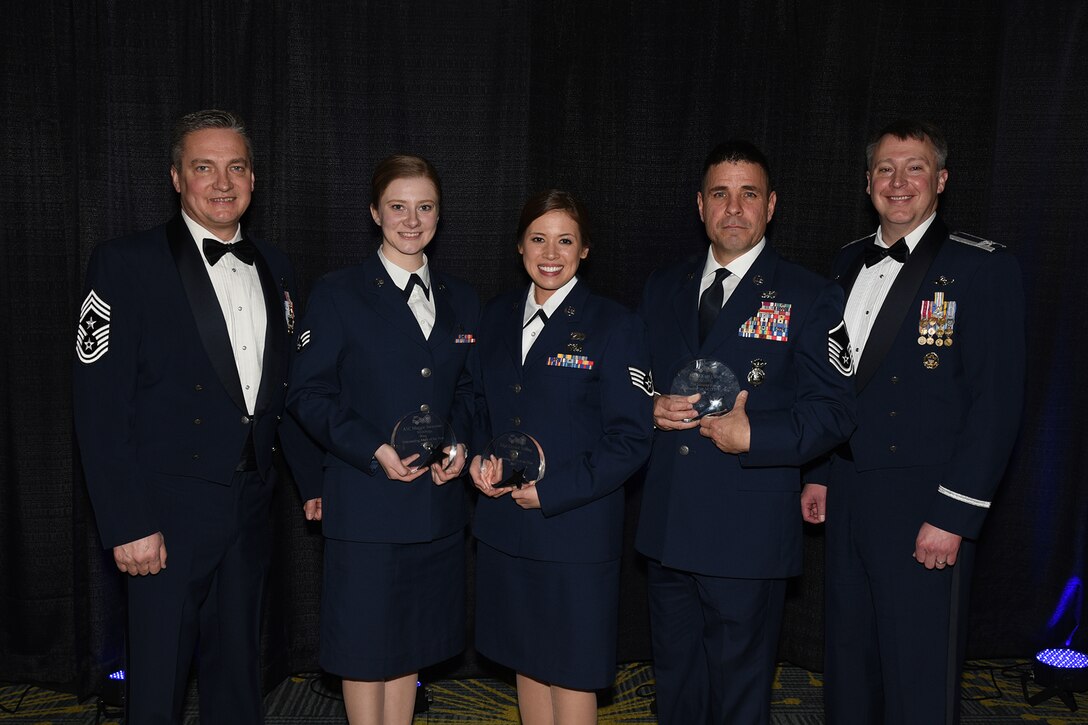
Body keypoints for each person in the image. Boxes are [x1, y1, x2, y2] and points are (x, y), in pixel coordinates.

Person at [72, 109, 316, 723]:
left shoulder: (276, 265)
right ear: (177, 178)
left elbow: (279, 394)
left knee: (238, 679)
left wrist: (313, 482)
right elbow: (99, 406)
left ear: (254, 180)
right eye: (204, 167)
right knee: (156, 684)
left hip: (249, 508)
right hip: (164, 516)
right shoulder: (123, 263)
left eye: (236, 167)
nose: (222, 182)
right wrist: (127, 520)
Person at [801, 120, 1026, 725]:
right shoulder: (846, 260)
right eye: (885, 169)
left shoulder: (983, 268)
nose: (899, 182)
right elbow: (834, 380)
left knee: (919, 677)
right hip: (850, 492)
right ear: (868, 181)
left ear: (941, 180)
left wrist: (954, 514)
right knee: (849, 667)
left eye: (915, 168)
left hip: (926, 499)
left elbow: (997, 403)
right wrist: (820, 471)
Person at [636, 141, 855, 724]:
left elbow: (834, 411)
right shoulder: (662, 286)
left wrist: (755, 435)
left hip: (746, 531)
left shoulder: (810, 295)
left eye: (748, 194)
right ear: (700, 205)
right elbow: (630, 382)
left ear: (771, 205)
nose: (733, 208)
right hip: (668, 523)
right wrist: (647, 406)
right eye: (720, 194)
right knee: (676, 688)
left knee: (739, 697)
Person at [287, 154, 477, 725]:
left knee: (409, 649)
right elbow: (308, 394)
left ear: (440, 217)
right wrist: (372, 448)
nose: (411, 220)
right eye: (398, 206)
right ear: (375, 213)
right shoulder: (337, 293)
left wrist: (461, 443)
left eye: (425, 207)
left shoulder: (463, 297)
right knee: (365, 650)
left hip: (434, 506)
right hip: (367, 500)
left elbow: (469, 391)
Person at [469, 189, 653, 725]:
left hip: (575, 529)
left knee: (571, 671)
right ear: (519, 247)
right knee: (527, 662)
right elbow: (482, 404)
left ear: (585, 250)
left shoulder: (615, 325)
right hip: (506, 525)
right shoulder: (497, 314)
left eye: (566, 240)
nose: (551, 253)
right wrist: (481, 457)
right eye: (539, 239)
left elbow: (631, 438)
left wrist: (550, 491)